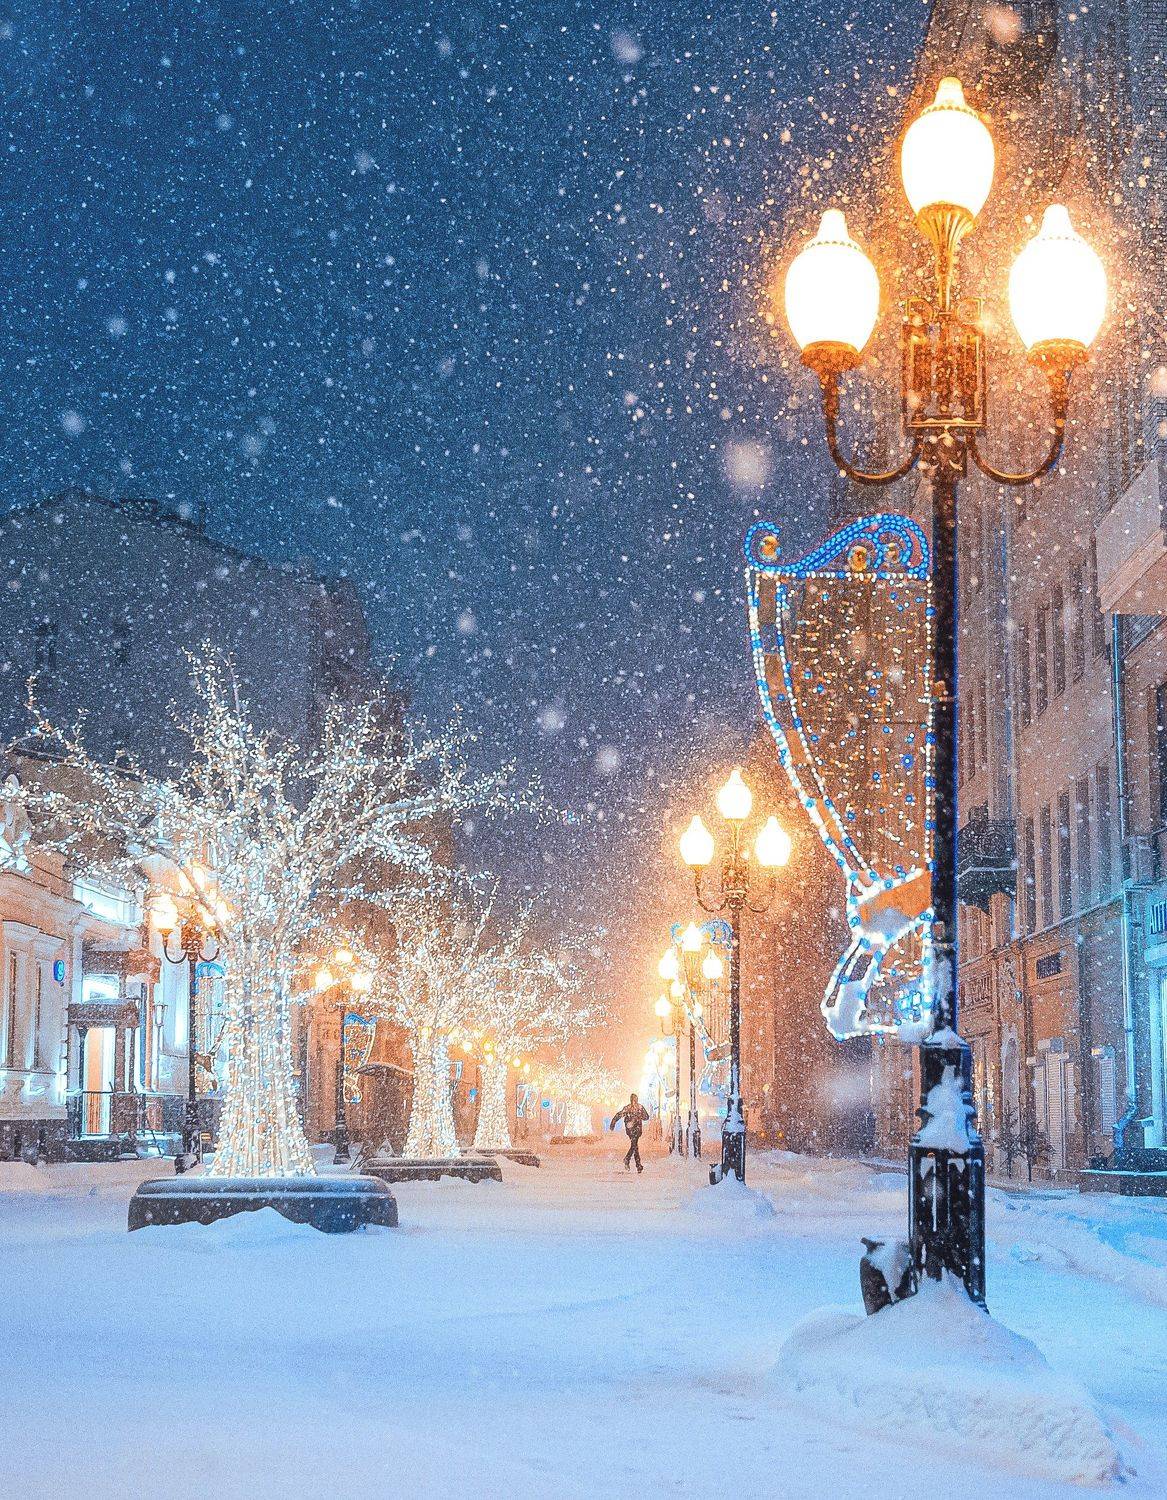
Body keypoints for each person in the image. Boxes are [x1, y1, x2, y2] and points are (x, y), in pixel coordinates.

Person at [609, 1093, 650, 1173]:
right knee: (634, 1146)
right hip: (634, 1130)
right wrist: (639, 1116)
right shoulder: (639, 1107)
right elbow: (646, 1117)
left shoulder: (630, 1108)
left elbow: (618, 1115)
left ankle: (631, 1162)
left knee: (634, 1146)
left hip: (631, 1130)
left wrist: (613, 1123)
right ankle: (636, 1164)